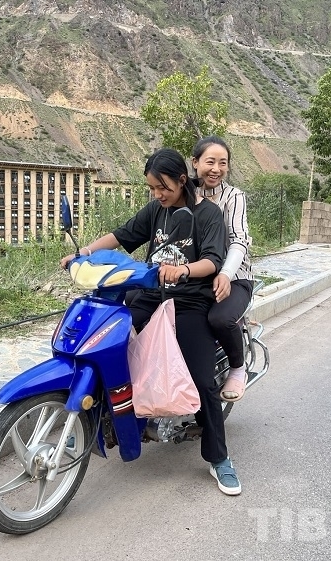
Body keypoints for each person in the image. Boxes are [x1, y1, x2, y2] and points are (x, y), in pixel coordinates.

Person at [60, 148, 242, 496]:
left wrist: (183, 269)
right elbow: (122, 235)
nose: (158, 194)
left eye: (163, 187)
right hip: (149, 293)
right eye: (152, 188)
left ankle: (219, 458)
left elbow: (212, 261)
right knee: (107, 340)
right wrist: (83, 253)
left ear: (182, 180)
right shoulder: (157, 210)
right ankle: (98, 418)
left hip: (189, 301)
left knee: (202, 380)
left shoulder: (207, 214)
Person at [191, 136, 255, 403]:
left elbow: (239, 240)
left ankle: (238, 367)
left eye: (223, 163)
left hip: (235, 276)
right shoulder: (185, 194)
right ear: (195, 163)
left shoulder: (233, 197)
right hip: (195, 276)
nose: (216, 169)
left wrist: (226, 274)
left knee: (219, 319)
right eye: (210, 162)